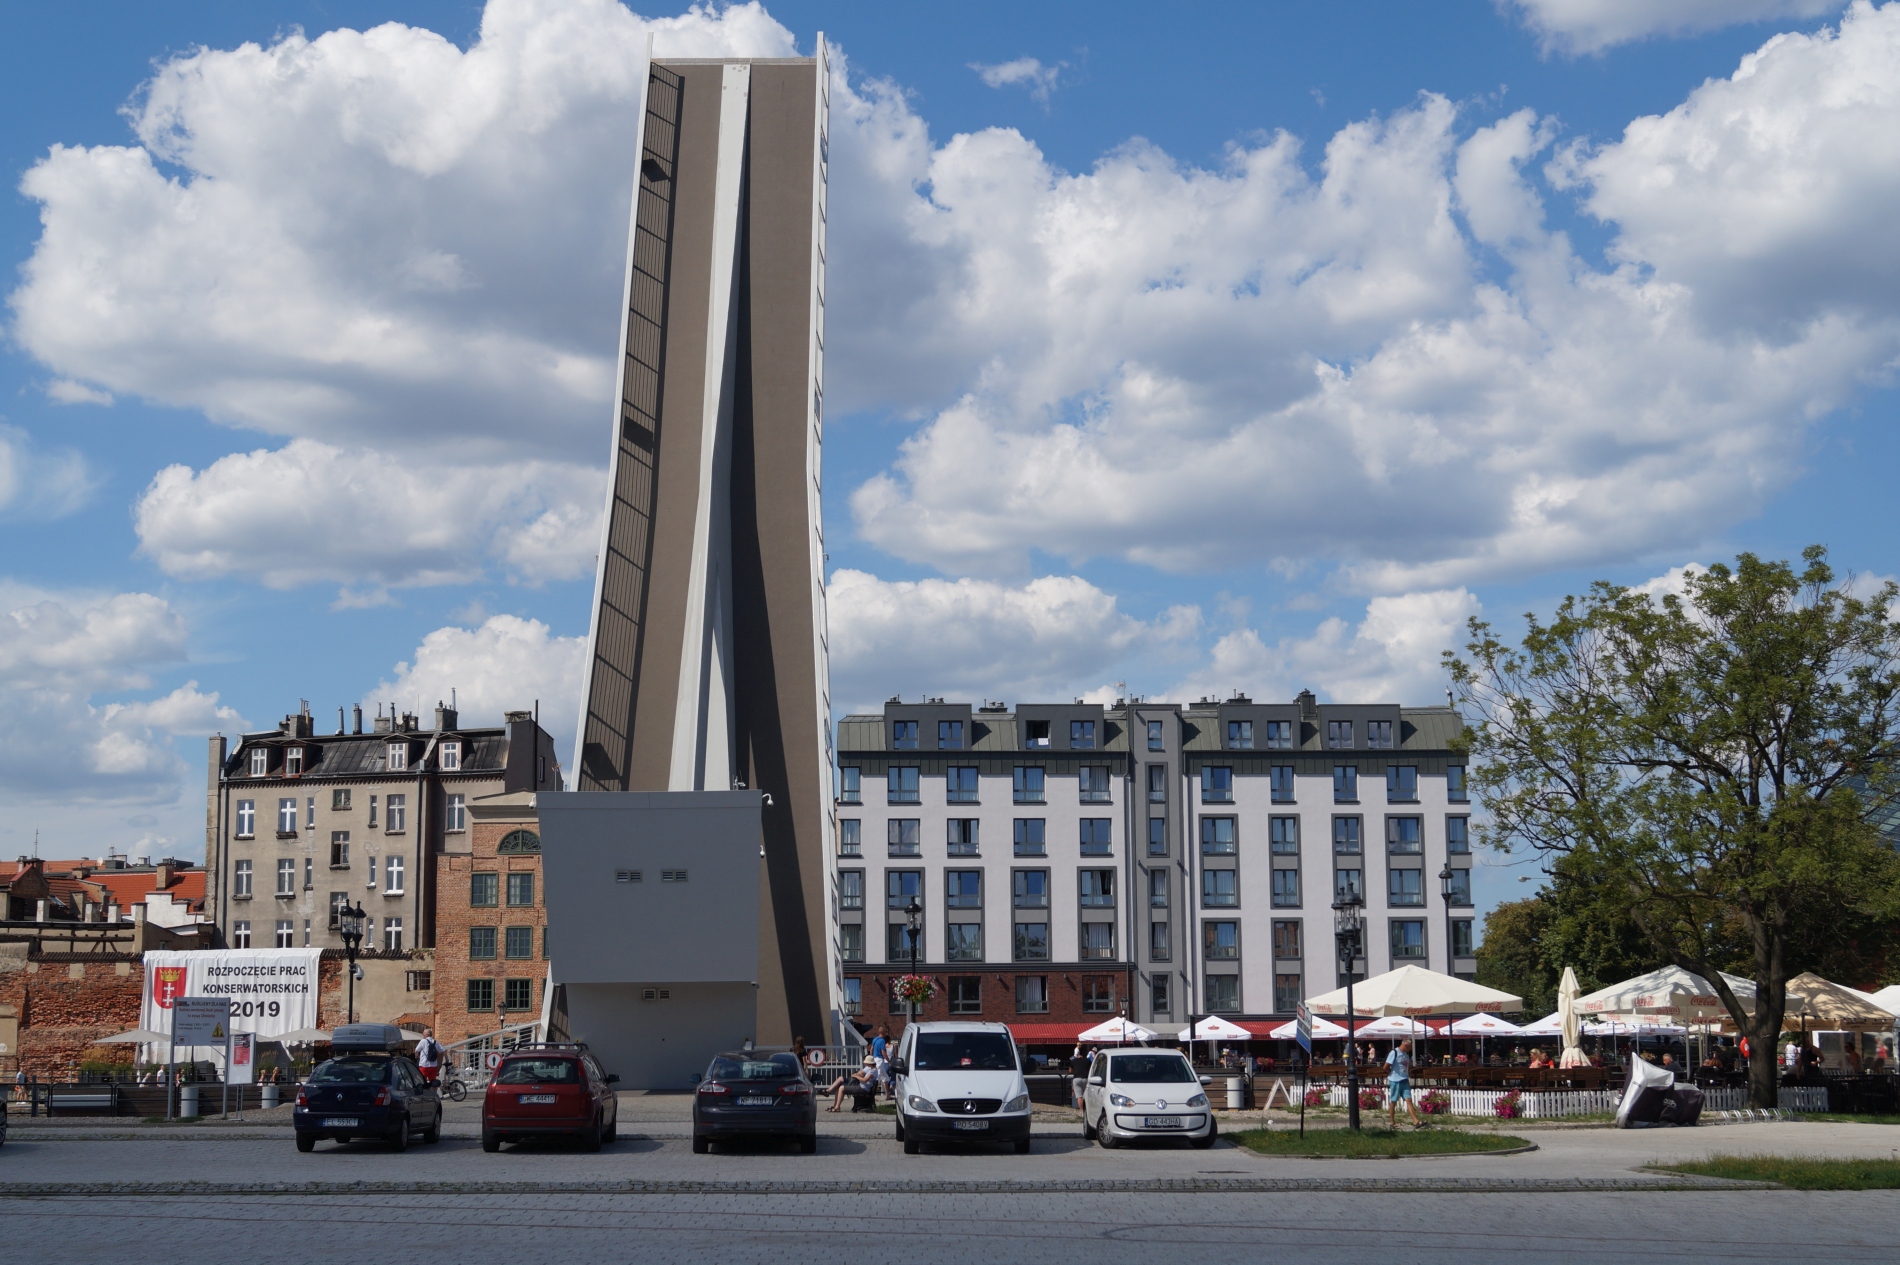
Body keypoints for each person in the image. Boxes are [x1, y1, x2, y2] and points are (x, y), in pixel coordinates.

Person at [1385, 1038, 1423, 1130]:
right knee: (1393, 1101)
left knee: (1409, 1100)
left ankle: (1416, 1121)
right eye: (1410, 1047)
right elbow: (1385, 1066)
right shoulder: (1394, 1053)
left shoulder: (1406, 1054)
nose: (1411, 1049)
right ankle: (1392, 1122)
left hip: (1404, 1079)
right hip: (1395, 1080)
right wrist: (1392, 1073)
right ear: (1406, 1045)